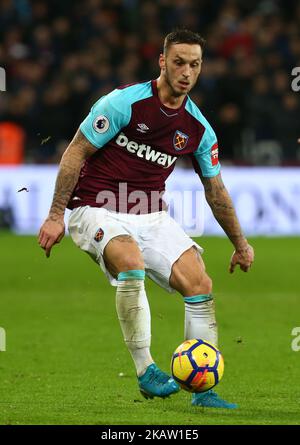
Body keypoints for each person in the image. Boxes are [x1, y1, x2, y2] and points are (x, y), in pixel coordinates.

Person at [38, 29, 254, 409]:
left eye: (195, 65)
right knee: (131, 263)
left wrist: (240, 244)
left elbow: (215, 191)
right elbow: (76, 152)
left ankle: (203, 391)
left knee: (200, 282)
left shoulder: (198, 128)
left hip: (151, 215)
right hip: (95, 207)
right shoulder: (125, 103)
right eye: (179, 62)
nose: (186, 72)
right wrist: (56, 214)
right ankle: (146, 371)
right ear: (162, 61)